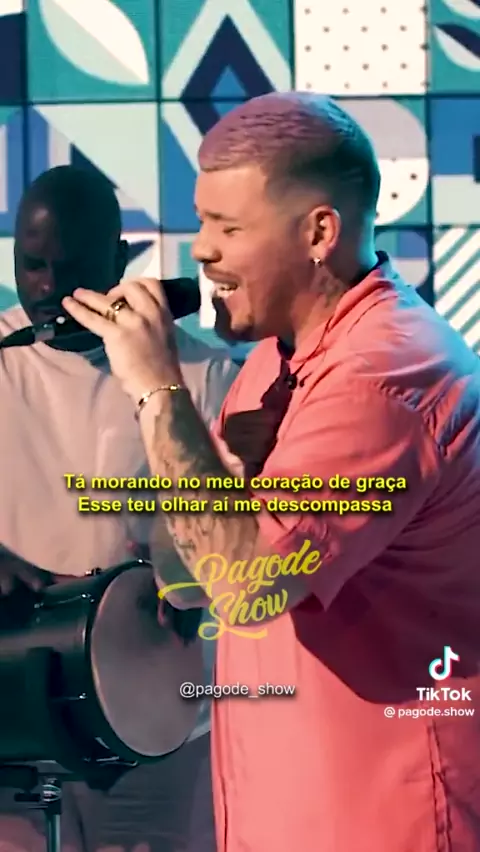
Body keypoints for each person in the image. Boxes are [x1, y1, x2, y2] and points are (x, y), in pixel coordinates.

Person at [63, 92, 480, 852]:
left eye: (228, 228)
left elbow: (246, 587)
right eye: (201, 222)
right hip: (277, 808)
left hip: (379, 820)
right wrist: (208, 461)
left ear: (319, 232)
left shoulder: (383, 376)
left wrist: (157, 389)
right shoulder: (269, 362)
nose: (201, 250)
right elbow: (188, 578)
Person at [0, 165, 238, 851]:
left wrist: (188, 572)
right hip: (16, 713)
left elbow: (248, 542)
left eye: (70, 269)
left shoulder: (205, 375)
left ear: (121, 259)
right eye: (32, 265)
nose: (47, 289)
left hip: (156, 730)